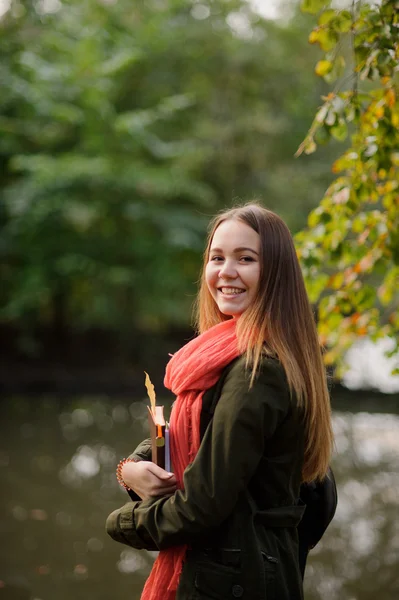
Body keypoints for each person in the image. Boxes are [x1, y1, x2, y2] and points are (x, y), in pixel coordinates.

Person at [106, 203, 334, 600]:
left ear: (276, 274)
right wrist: (131, 468)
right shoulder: (236, 355)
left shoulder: (256, 371)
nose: (226, 271)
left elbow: (201, 506)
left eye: (245, 259)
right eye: (217, 257)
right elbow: (199, 440)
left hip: (233, 579)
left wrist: (121, 523)